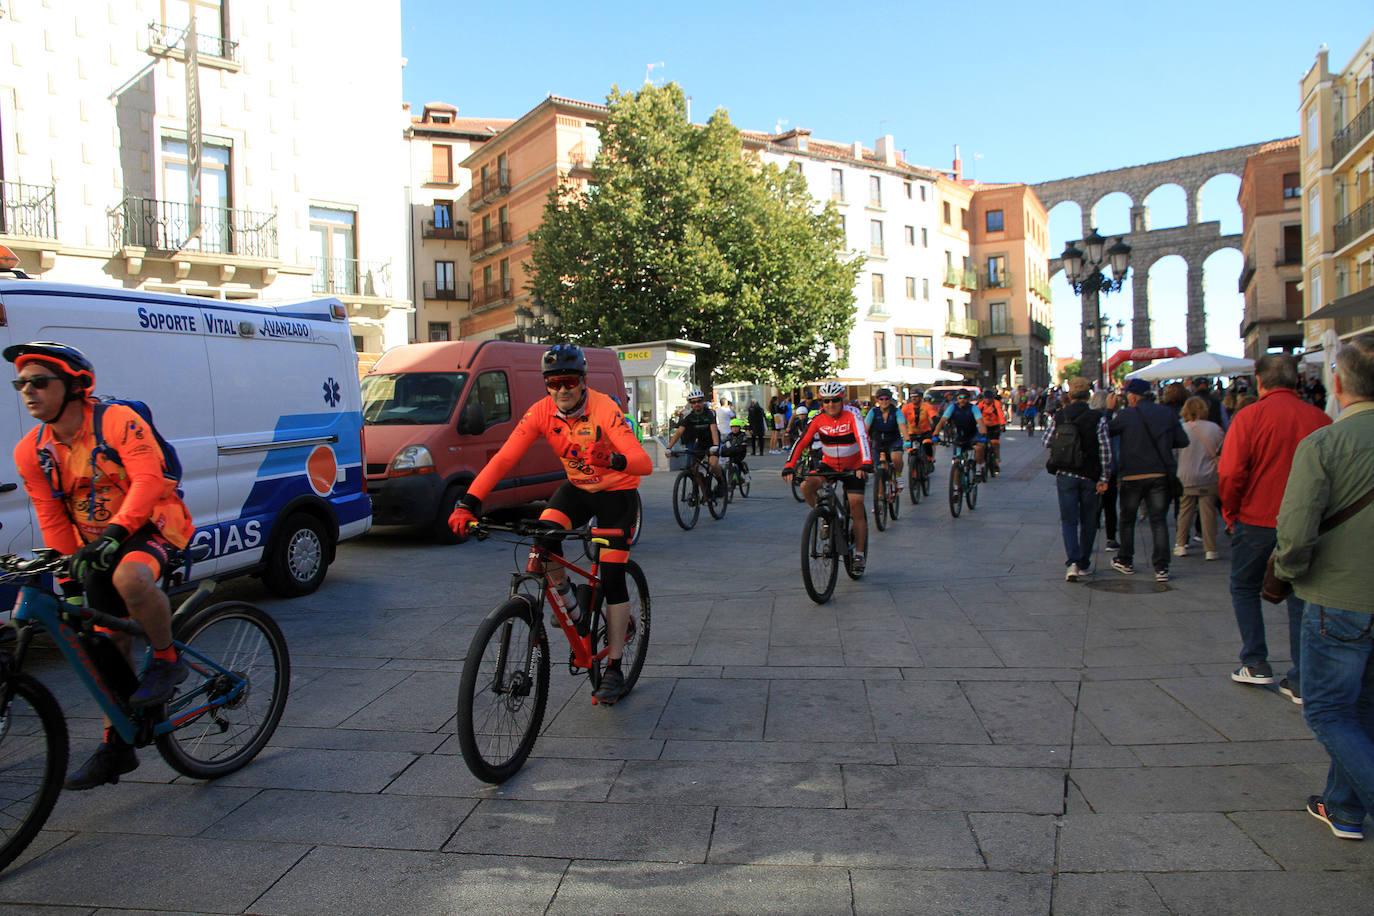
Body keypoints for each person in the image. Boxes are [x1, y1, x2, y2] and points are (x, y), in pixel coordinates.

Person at [7, 341, 195, 790]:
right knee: (101, 642)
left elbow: (149, 479)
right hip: (94, 545)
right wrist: (68, 572)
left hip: (151, 522)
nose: (28, 391)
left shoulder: (115, 421)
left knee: (129, 577)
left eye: (39, 382)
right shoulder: (31, 450)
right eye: (21, 384)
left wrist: (116, 532)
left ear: (74, 386)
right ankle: (118, 743)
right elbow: (51, 514)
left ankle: (167, 660)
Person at [449, 344, 652, 704]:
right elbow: (504, 459)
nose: (562, 390)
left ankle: (615, 668)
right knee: (542, 543)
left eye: (569, 381)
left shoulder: (604, 407)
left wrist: (614, 458)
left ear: (583, 381)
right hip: (577, 490)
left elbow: (643, 462)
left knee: (613, 576)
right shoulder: (542, 412)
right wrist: (468, 503)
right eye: (554, 383)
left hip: (616, 495)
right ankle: (571, 603)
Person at [1272, 335, 1374, 840]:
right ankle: (1344, 809)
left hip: (1339, 596)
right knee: (1364, 710)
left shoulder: (1325, 444)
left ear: (1336, 382)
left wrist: (1288, 572)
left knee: (1329, 710)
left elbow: (1294, 531)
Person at [1219, 353, 1332, 696]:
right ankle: (1300, 677)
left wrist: (1231, 512)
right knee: (1300, 594)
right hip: (1307, 522)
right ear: (1296, 380)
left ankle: (1255, 661)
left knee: (1244, 588)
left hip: (1256, 518)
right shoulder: (1321, 419)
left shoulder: (1249, 417)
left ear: (1259, 380)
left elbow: (1231, 472)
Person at [782, 381, 873, 573]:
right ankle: (825, 516)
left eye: (835, 400)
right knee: (807, 485)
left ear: (843, 400)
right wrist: (789, 466)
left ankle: (859, 554)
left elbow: (862, 437)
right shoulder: (817, 419)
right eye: (826, 401)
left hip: (854, 465)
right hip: (829, 464)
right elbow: (801, 441)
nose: (831, 405)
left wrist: (865, 463)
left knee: (856, 504)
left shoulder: (853, 415)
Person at [1107, 378, 1189, 582]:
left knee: (1127, 520)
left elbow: (1106, 431)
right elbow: (1182, 440)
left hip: (1132, 475)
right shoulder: (1167, 413)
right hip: (1159, 474)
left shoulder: (1126, 415)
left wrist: (1109, 411)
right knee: (1158, 520)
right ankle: (1161, 568)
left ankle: (1126, 560)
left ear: (1133, 396)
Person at [1043, 377, 1111, 582]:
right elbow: (1105, 450)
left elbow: (1046, 441)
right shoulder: (1097, 417)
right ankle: (1083, 562)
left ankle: (1072, 561)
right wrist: (1104, 477)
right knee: (1088, 520)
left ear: (1070, 395)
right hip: (1090, 475)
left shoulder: (1060, 415)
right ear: (1088, 394)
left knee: (1069, 520)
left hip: (1065, 475)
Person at [1174, 396, 1225, 561]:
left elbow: (1174, 453)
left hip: (1186, 476)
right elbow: (1221, 449)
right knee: (1208, 512)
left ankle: (1181, 544)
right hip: (1208, 475)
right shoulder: (1214, 428)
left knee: (1185, 511)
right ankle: (1210, 549)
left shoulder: (1181, 428)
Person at [666, 388, 726, 498]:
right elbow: (679, 432)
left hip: (713, 441)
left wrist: (716, 446)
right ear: (691, 404)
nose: (696, 404)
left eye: (699, 401)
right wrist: (669, 447)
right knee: (693, 469)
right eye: (693, 402)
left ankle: (721, 481)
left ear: (703, 402)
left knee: (712, 464)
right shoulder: (690, 417)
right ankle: (704, 487)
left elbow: (713, 429)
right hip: (701, 443)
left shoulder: (709, 414)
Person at [931, 389, 987, 472]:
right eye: (960, 397)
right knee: (956, 463)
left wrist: (983, 434)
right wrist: (935, 434)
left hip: (972, 434)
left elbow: (980, 422)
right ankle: (956, 485)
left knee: (979, 448)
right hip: (959, 436)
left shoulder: (973, 408)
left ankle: (979, 468)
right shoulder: (952, 407)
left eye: (965, 398)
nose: (962, 400)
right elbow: (942, 421)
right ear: (957, 398)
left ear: (968, 399)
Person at [865, 388, 908, 489]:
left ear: (890, 399)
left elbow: (902, 425)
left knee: (896, 458)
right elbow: (865, 428)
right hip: (878, 441)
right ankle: (880, 496)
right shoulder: (873, 412)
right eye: (881, 399)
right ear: (877, 400)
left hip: (894, 440)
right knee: (877, 470)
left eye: (887, 399)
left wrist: (907, 440)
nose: (884, 401)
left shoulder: (896, 411)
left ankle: (898, 476)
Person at [976, 388, 1006, 475]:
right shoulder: (981, 404)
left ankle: (996, 460)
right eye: (986, 398)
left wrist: (1002, 424)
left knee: (995, 443)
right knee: (981, 444)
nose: (987, 400)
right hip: (984, 426)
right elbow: (976, 413)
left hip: (994, 426)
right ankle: (981, 463)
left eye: (989, 398)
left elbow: (1000, 414)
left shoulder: (996, 404)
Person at [723, 417, 751, 481]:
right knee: (730, 463)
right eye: (733, 427)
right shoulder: (730, 435)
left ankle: (746, 474)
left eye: (736, 427)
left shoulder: (742, 435)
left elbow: (744, 441)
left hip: (740, 453)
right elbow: (725, 440)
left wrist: (743, 444)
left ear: (740, 428)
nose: (735, 429)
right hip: (731, 452)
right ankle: (731, 479)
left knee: (738, 462)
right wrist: (726, 445)